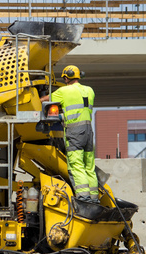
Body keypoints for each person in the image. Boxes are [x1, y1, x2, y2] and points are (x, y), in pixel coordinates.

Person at [41, 65, 99, 204]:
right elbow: (79, 111)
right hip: (88, 132)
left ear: (66, 77)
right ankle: (94, 198)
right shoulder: (89, 90)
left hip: (75, 132)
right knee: (89, 166)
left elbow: (45, 100)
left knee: (76, 164)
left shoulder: (64, 91)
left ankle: (83, 198)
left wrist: (36, 98)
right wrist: (62, 117)